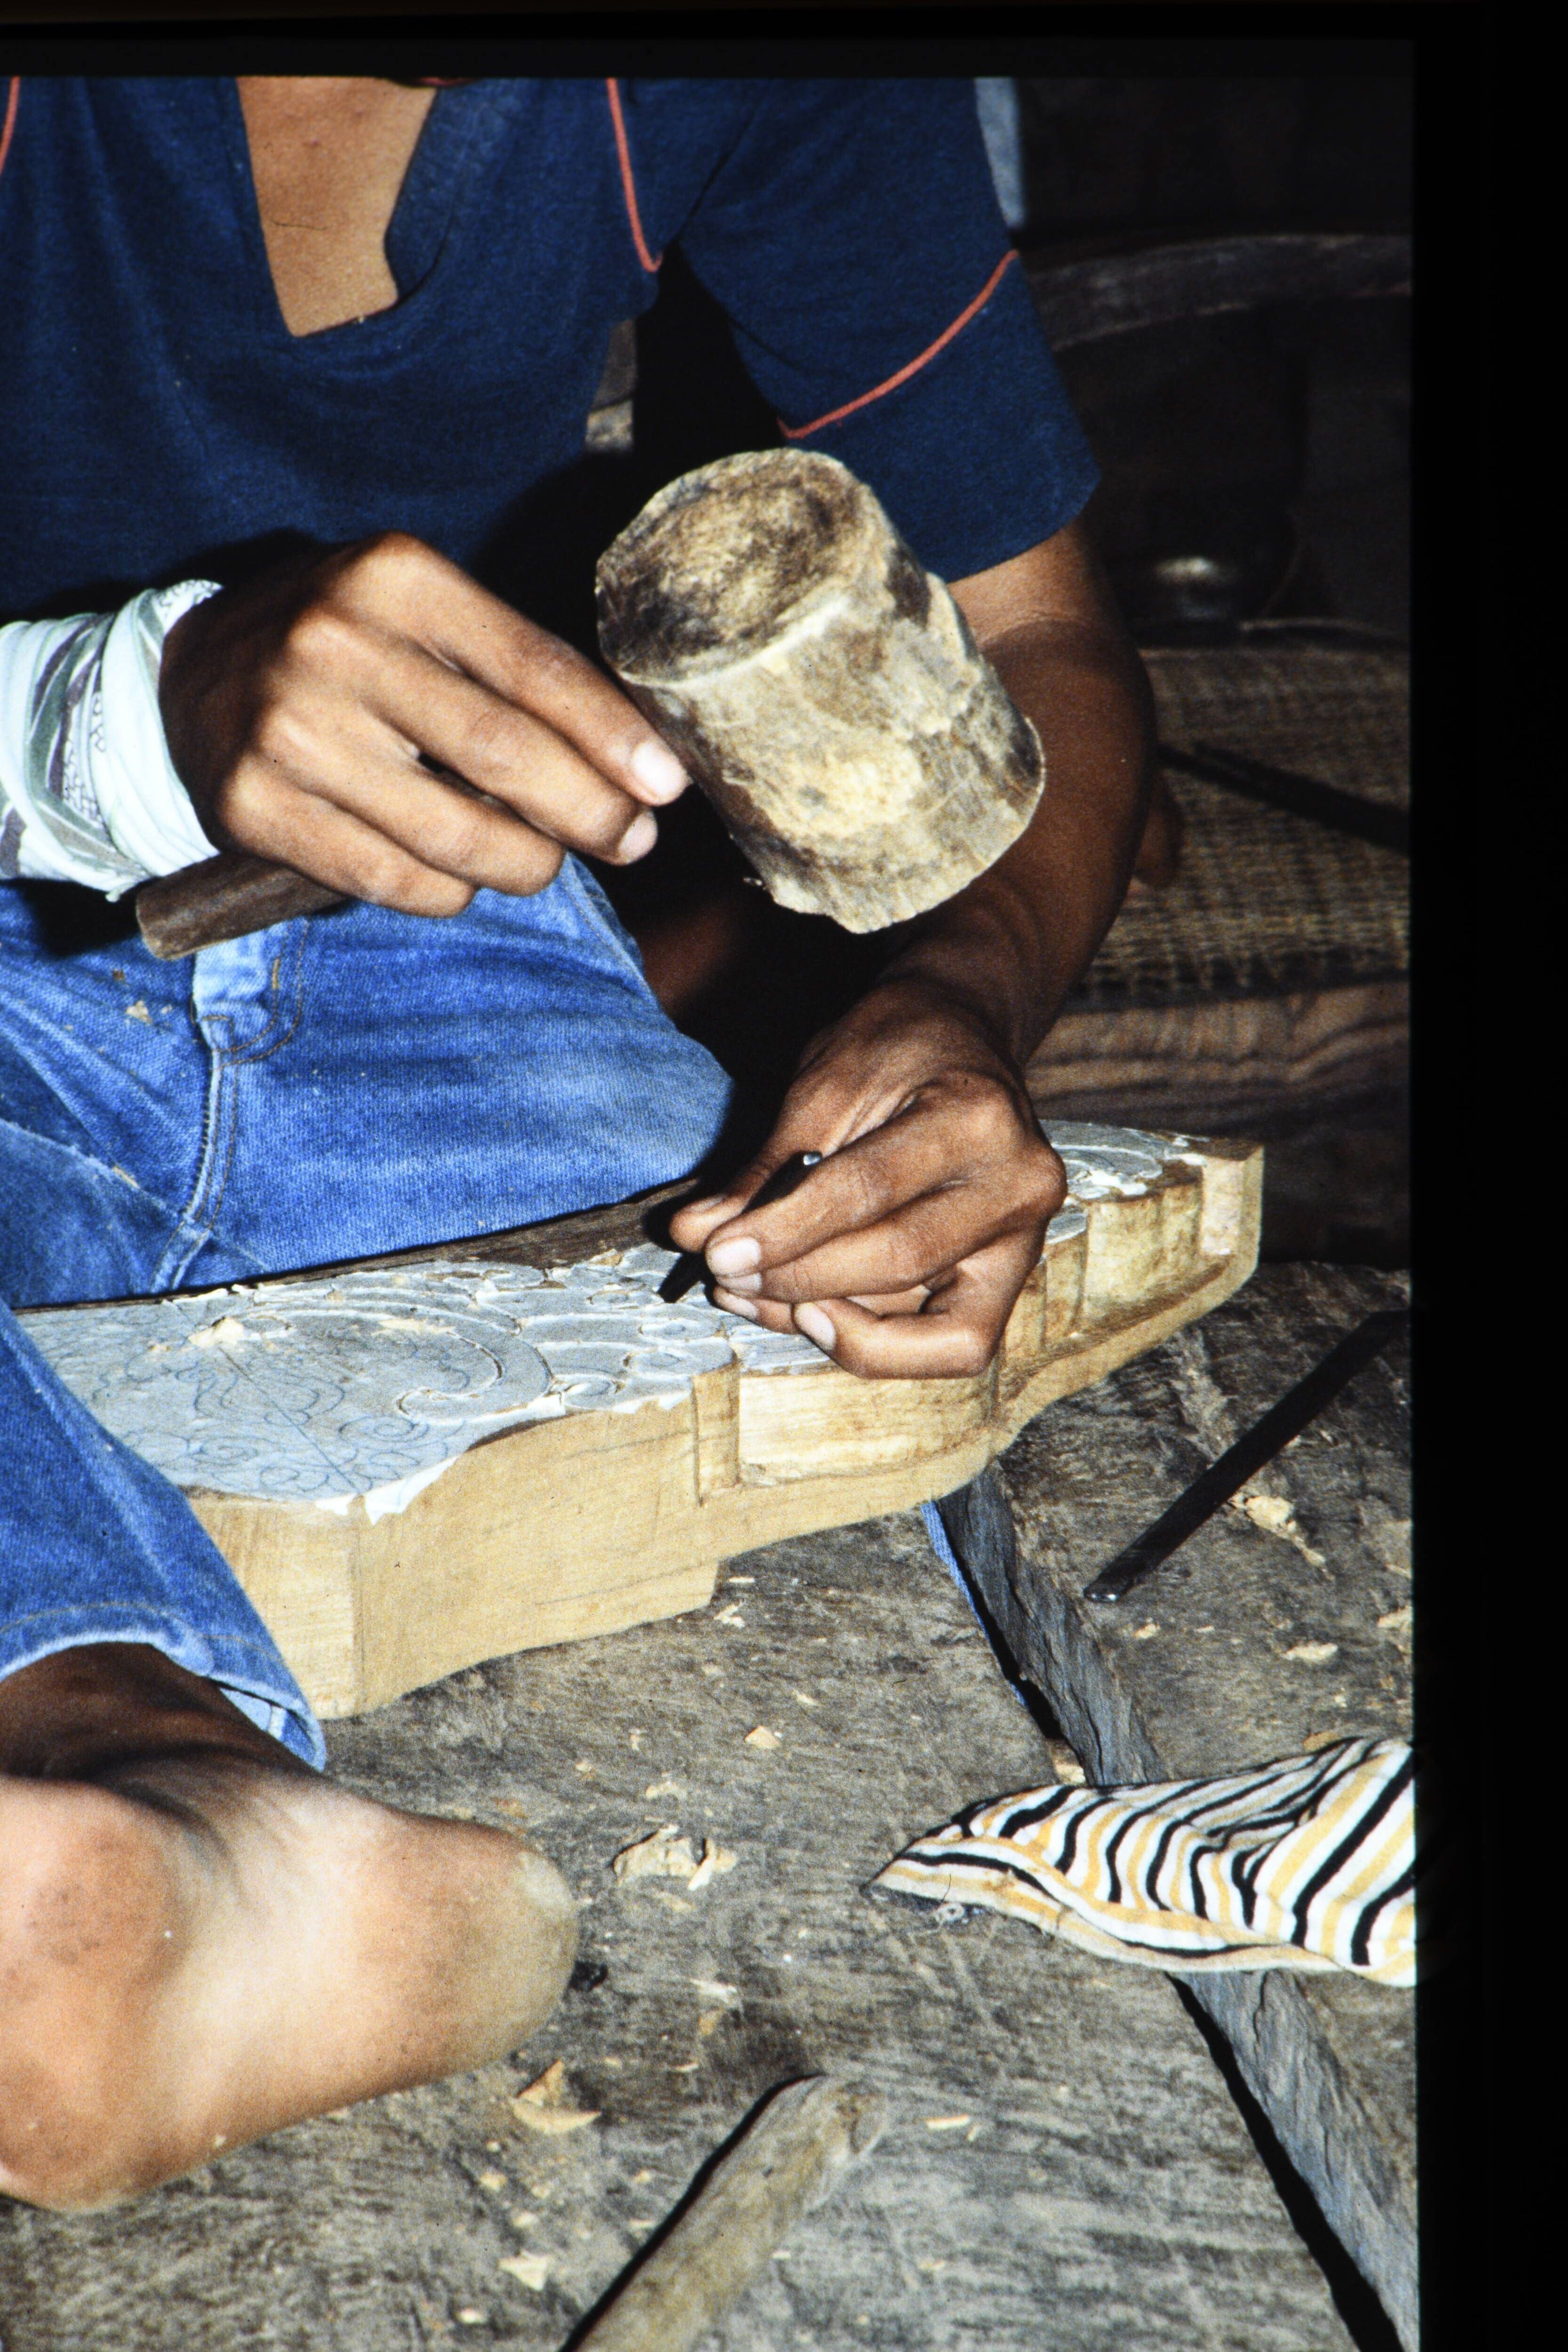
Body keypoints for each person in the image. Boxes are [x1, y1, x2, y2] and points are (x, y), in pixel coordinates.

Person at [0, 73, 1166, 2208]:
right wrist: (102, 717)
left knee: (813, 1392)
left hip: (443, 947)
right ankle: (129, 1755)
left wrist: (960, 996)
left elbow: (1042, 636)